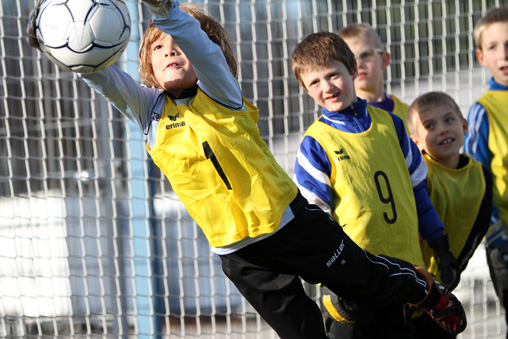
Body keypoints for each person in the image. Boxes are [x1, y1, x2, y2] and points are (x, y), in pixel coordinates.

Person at [27, 1, 467, 338]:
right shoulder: (149, 113)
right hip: (239, 254)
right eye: (158, 47)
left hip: (292, 224)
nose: (170, 50)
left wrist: (167, 11)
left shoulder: (221, 92)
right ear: (148, 67)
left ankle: (425, 291)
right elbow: (102, 76)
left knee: (369, 282)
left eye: (179, 41)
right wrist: (55, 41)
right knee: (302, 333)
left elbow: (197, 42)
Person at [291, 31, 458, 338]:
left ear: (353, 70)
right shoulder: (315, 144)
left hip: (411, 273)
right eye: (314, 82)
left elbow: (418, 188)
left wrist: (439, 242)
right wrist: (333, 276)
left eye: (333, 75)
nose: (326, 87)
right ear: (304, 88)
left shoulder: (392, 124)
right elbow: (315, 221)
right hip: (357, 280)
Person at [407, 91, 493, 338]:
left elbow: (479, 226)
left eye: (449, 120)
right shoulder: (420, 176)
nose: (443, 129)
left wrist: (456, 269)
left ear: (464, 126)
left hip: (445, 287)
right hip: (412, 288)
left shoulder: (481, 176)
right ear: (416, 142)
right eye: (430, 125)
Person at [463, 7, 508, 338]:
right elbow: (475, 184)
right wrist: (496, 238)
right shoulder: (484, 111)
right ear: (481, 56)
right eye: (493, 47)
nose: (503, 54)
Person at [338, 23, 409, 125]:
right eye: (350, 59)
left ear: (384, 60)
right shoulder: (343, 120)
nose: (358, 64)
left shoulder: (409, 115)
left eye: (366, 55)